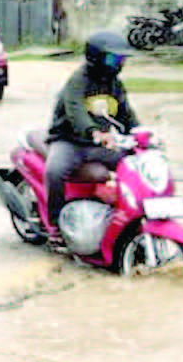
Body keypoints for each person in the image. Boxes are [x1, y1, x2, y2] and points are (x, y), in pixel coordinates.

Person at [44, 30, 139, 248]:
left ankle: (128, 215)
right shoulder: (78, 81)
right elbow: (75, 111)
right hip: (69, 141)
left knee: (131, 164)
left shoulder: (114, 84)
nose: (119, 63)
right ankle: (55, 225)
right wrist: (94, 132)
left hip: (98, 144)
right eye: (114, 58)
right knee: (54, 170)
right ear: (96, 57)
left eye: (121, 59)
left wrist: (141, 136)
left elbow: (126, 114)